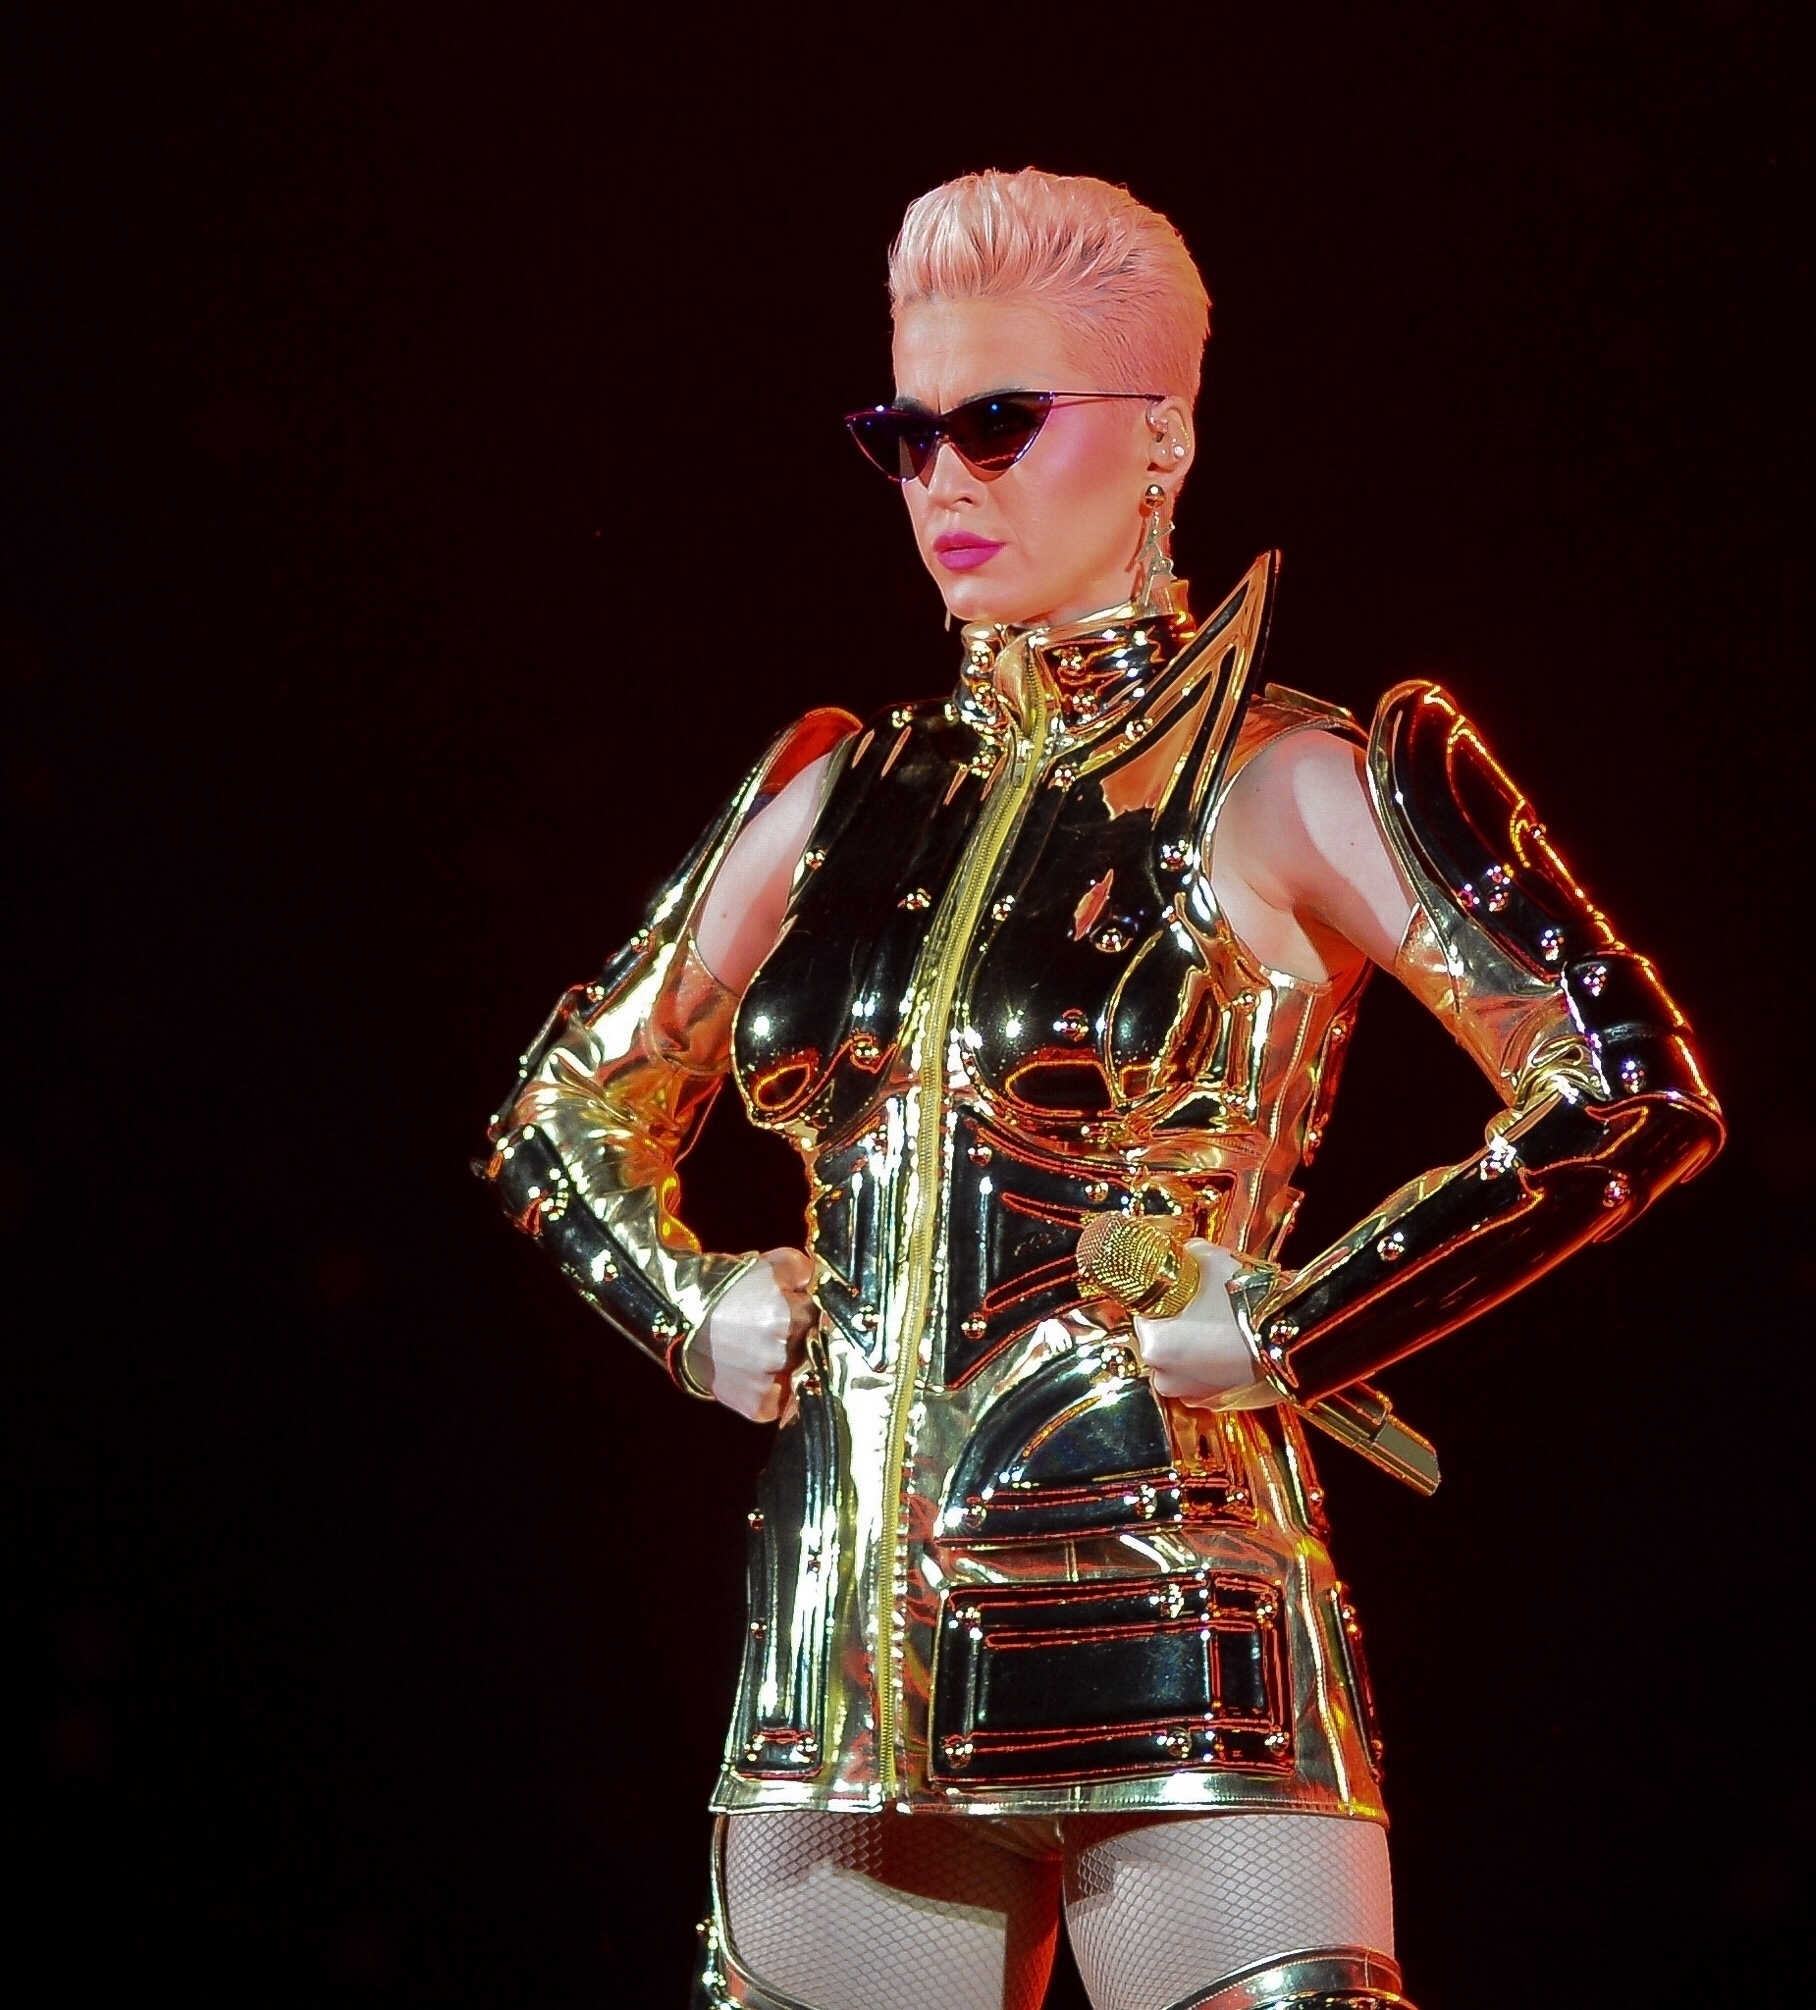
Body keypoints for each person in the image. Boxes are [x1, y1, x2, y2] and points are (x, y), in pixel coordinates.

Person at [483, 168, 1724, 2010]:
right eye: (904, 436)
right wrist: (689, 1303)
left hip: (1173, 1621)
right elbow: (558, 1112)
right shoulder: (836, 796)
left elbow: (1623, 1086)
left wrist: (1302, 1322)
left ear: (1166, 439)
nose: (944, 480)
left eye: (999, 421)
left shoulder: (1288, 778)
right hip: (844, 1664)